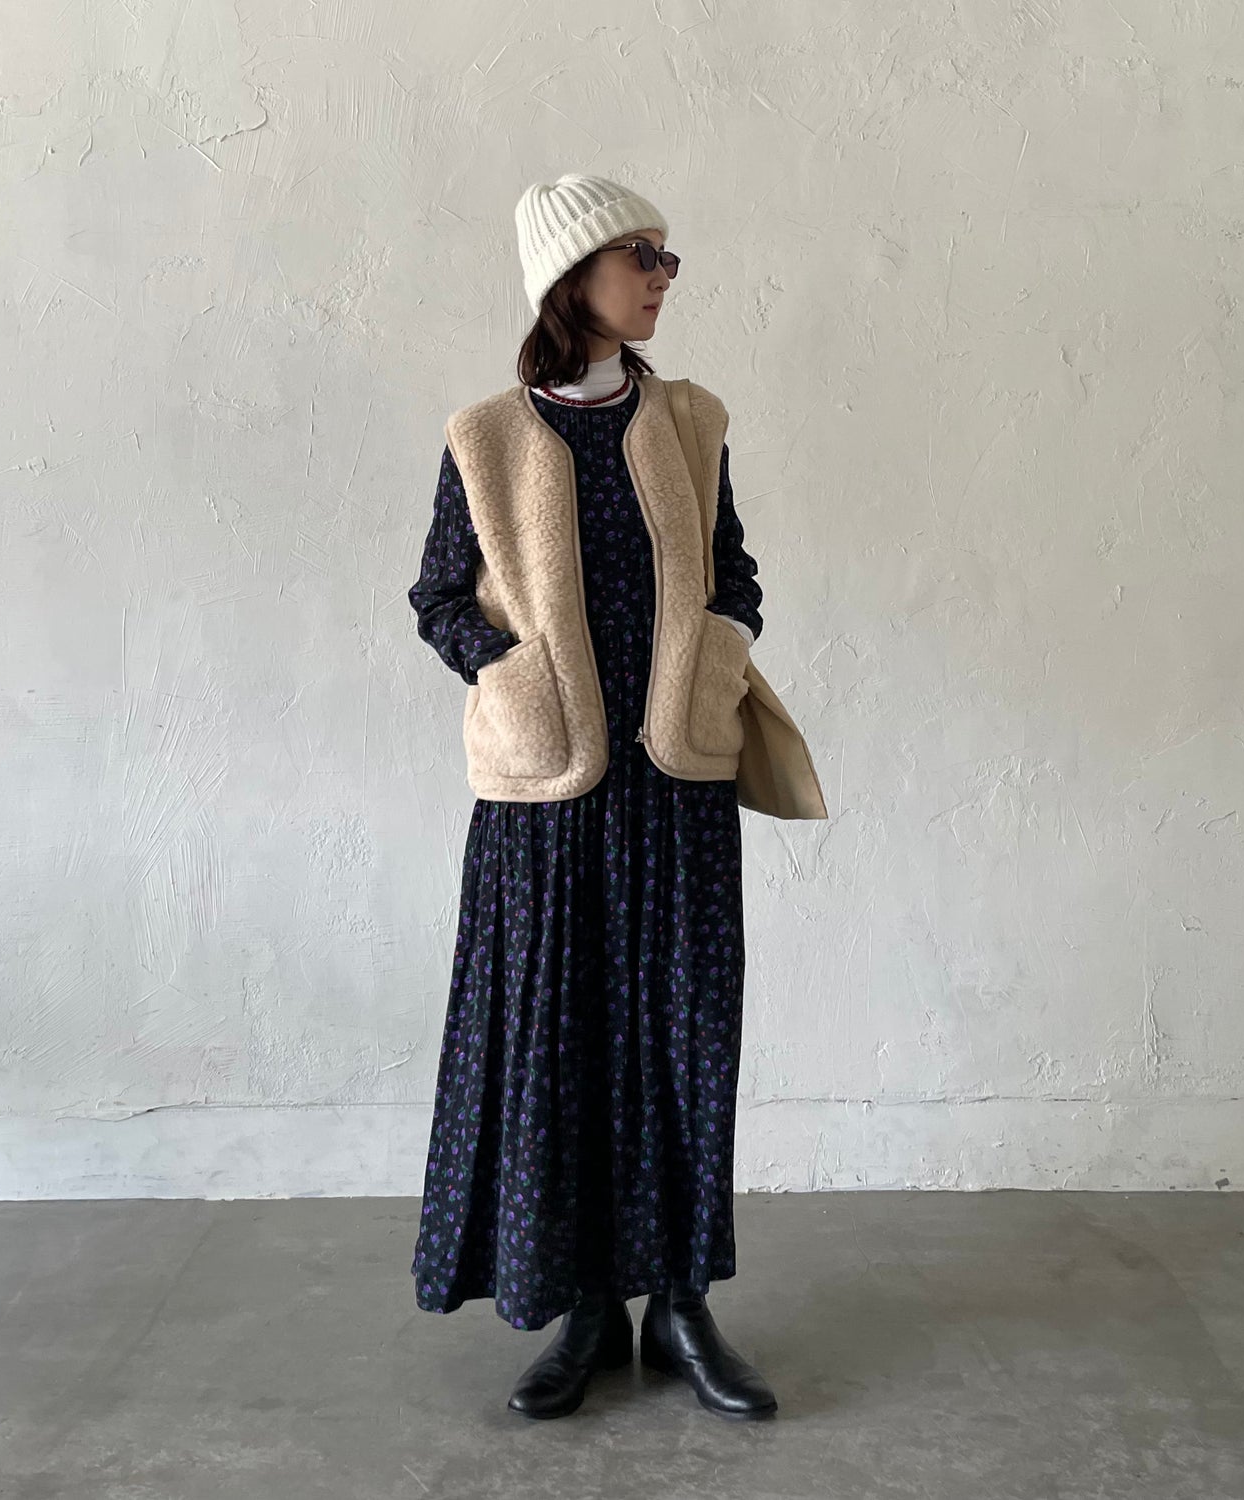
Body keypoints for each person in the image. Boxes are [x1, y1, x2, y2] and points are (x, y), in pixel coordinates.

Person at [406, 173, 777, 1422]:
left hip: (676, 792)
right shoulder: (486, 436)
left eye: (669, 258)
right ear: (575, 276)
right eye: (643, 256)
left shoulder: (691, 420)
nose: (665, 276)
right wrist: (509, 677)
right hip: (546, 803)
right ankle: (583, 1311)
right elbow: (439, 598)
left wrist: (721, 649)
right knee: (559, 1050)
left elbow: (735, 574)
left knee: (683, 1045)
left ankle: (680, 1308)